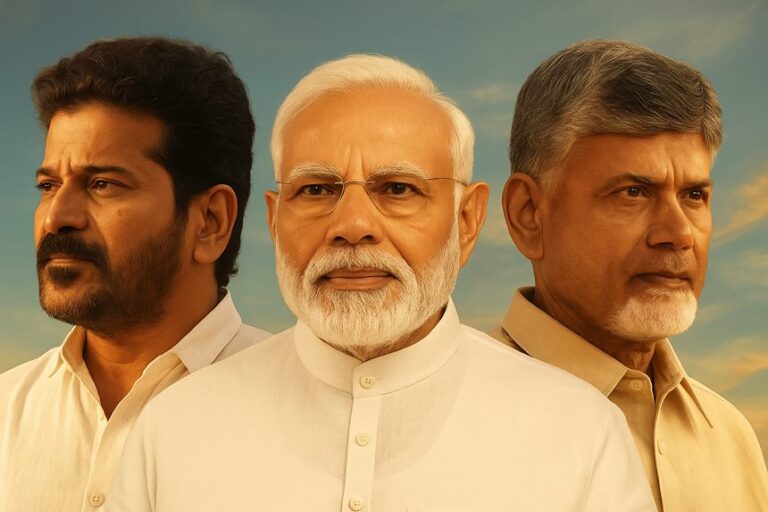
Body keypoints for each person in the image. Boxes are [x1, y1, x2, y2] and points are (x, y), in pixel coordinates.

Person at [107, 54, 655, 512]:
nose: (352, 226)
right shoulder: (174, 428)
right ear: (274, 222)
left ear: (467, 221)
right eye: (317, 190)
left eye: (397, 189)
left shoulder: (579, 432)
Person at [493, 39, 768, 511]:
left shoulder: (730, 437)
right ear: (528, 215)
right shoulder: (446, 419)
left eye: (694, 195)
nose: (678, 234)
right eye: (633, 192)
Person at [0, 37, 270, 511]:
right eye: (49, 185)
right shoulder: (6, 412)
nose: (57, 217)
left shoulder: (309, 414)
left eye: (103, 184)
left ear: (210, 221)